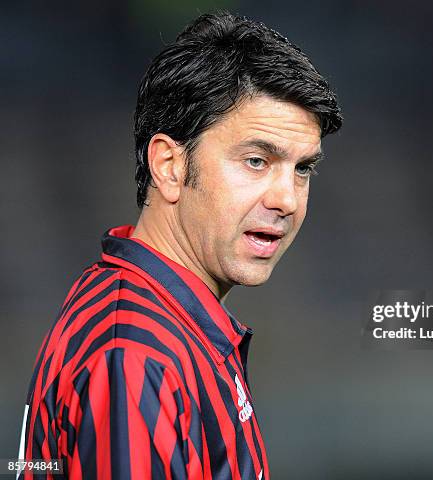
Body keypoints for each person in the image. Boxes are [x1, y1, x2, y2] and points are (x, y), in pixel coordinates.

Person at [19, 12, 342, 479]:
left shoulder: (153, 319)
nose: (286, 199)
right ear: (169, 165)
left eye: (302, 169)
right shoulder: (136, 355)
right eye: (256, 160)